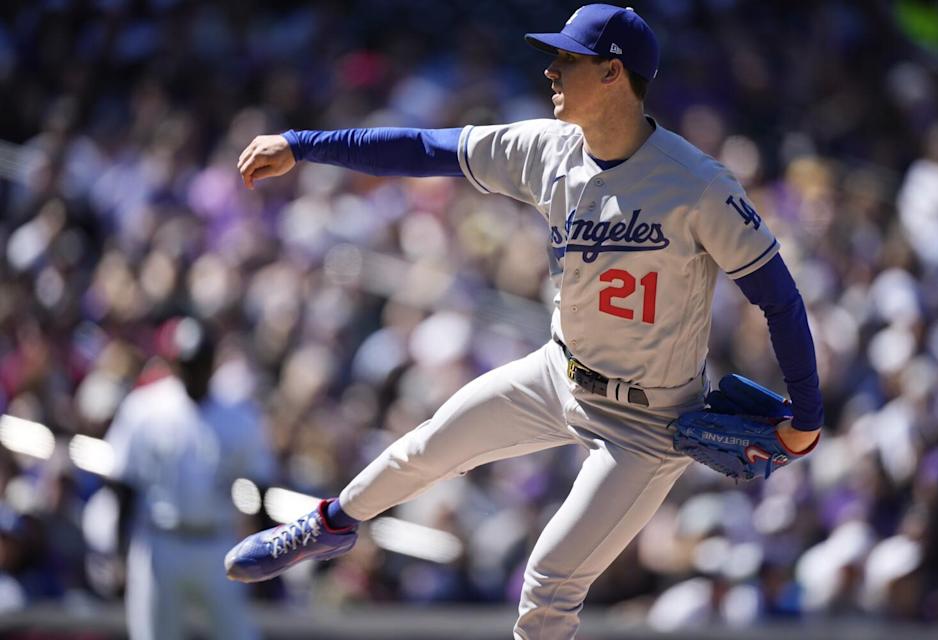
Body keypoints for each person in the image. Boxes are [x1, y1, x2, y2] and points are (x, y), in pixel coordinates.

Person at [225, 5, 823, 638]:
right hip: (558, 373)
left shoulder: (698, 185)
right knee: (430, 445)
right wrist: (302, 145)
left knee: (547, 586)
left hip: (649, 423)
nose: (550, 70)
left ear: (614, 73)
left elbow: (779, 299)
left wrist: (808, 419)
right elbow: (428, 149)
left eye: (567, 59)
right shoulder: (547, 148)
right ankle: (331, 524)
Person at [105, 317, 275, 640]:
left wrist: (264, 554)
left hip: (217, 541)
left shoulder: (237, 413)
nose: (194, 371)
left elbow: (258, 485)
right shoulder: (145, 406)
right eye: (187, 363)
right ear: (173, 362)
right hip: (159, 539)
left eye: (200, 363)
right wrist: (118, 551)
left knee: (238, 634)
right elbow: (123, 483)